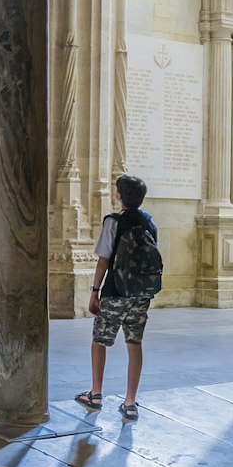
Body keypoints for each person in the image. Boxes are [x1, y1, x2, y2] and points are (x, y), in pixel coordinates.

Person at [75, 174, 163, 421]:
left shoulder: (113, 222)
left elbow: (104, 259)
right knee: (134, 344)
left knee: (100, 340)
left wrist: (94, 291)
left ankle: (96, 394)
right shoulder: (149, 222)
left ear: (119, 196)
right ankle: (131, 402)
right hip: (140, 294)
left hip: (115, 292)